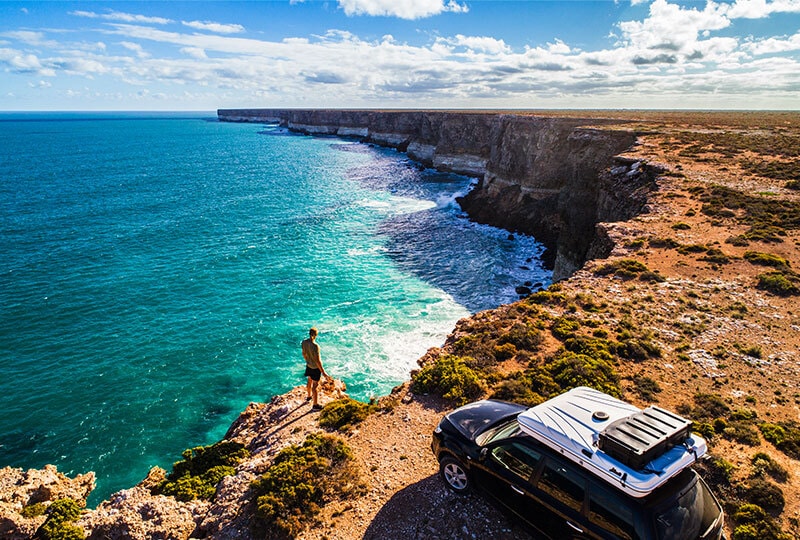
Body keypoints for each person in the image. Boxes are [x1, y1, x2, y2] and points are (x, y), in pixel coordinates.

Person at [302, 327, 329, 410]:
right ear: (316, 335)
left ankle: (309, 396)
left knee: (309, 380)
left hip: (308, 365)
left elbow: (304, 354)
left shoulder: (304, 342)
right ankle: (315, 405)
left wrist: (308, 361)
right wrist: (323, 372)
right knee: (315, 386)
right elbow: (318, 360)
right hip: (315, 368)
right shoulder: (315, 346)